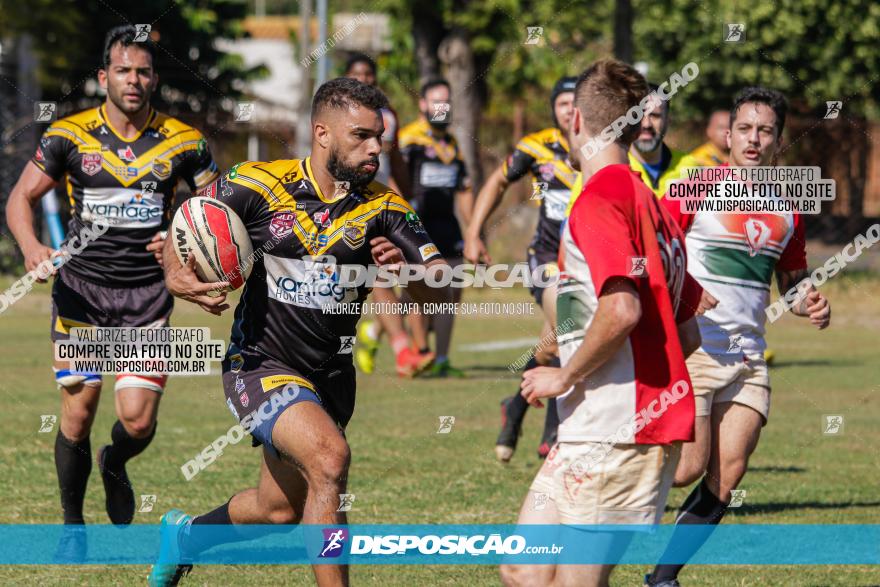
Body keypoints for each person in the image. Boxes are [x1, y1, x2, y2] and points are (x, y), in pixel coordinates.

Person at [149, 77, 451, 587]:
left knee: (277, 510)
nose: (376, 147)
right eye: (361, 135)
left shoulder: (385, 209)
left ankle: (185, 537)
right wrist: (176, 275)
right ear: (322, 134)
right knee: (330, 459)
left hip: (330, 377)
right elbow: (194, 219)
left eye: (380, 136)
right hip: (260, 365)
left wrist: (409, 273)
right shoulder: (259, 183)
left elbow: (440, 282)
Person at [5, 26, 218, 540]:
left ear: (154, 79)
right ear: (104, 77)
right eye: (123, 70)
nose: (134, 80)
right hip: (82, 291)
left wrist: (181, 239)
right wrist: (33, 249)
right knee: (77, 413)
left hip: (147, 297)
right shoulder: (68, 135)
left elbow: (219, 211)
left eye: (144, 71)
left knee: (138, 422)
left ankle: (115, 461)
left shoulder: (186, 142)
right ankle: (72, 527)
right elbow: (19, 199)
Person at [499, 59, 706, 587]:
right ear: (640, 127)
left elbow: (623, 309)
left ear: (575, 122)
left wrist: (566, 374)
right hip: (592, 426)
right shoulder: (655, 209)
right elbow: (688, 331)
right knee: (524, 569)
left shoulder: (600, 199)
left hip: (617, 430)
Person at [644, 87, 831, 587]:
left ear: (778, 140)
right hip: (696, 347)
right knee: (686, 469)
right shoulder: (697, 186)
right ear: (728, 135)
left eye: (765, 130)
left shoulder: (789, 206)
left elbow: (791, 280)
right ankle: (596, 500)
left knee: (727, 475)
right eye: (745, 128)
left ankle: (662, 579)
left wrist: (808, 299)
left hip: (750, 355)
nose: (754, 139)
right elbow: (651, 244)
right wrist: (685, 290)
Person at [464, 76, 578, 461]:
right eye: (562, 102)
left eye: (575, 102)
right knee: (570, 332)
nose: (568, 109)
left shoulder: (603, 146)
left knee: (551, 345)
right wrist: (474, 232)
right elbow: (497, 181)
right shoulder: (537, 146)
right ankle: (554, 430)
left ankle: (514, 407)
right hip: (545, 258)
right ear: (553, 108)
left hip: (586, 263)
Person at [344, 52, 434, 378]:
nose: (364, 79)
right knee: (376, 272)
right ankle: (400, 347)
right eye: (357, 73)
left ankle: (384, 339)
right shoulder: (337, 112)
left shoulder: (388, 114)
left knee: (392, 271)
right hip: (347, 202)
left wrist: (408, 201)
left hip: (379, 202)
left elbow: (394, 162)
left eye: (369, 74)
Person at [397, 78, 474, 377]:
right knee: (418, 290)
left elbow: (464, 189)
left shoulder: (452, 145)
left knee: (451, 292)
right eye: (436, 101)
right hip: (417, 227)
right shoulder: (409, 140)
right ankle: (419, 351)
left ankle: (441, 359)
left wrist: (473, 232)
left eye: (446, 102)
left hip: (448, 227)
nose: (442, 107)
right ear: (423, 104)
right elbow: (394, 180)